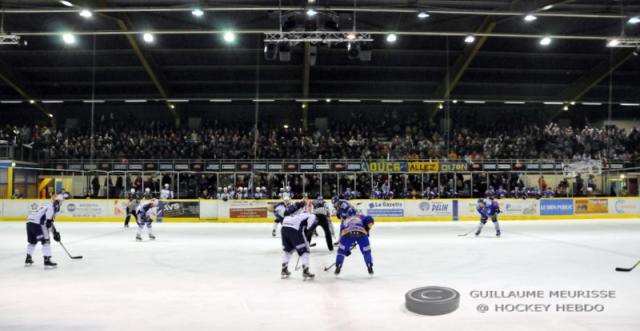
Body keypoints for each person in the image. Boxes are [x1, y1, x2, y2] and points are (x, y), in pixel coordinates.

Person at [280, 197, 317, 280]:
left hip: (284, 226)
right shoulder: (309, 214)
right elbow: (310, 227)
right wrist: (307, 238)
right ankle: (305, 271)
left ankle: (284, 269)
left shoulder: (294, 207)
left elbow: (286, 212)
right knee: (305, 250)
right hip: (294, 229)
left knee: (288, 250)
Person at [25, 195, 63, 268]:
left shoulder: (46, 205)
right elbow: (48, 222)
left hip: (29, 223)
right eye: (61, 201)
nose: (61, 203)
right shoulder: (52, 206)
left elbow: (47, 221)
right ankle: (47, 260)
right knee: (46, 242)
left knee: (32, 242)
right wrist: (54, 233)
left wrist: (54, 232)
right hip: (37, 224)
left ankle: (28, 258)